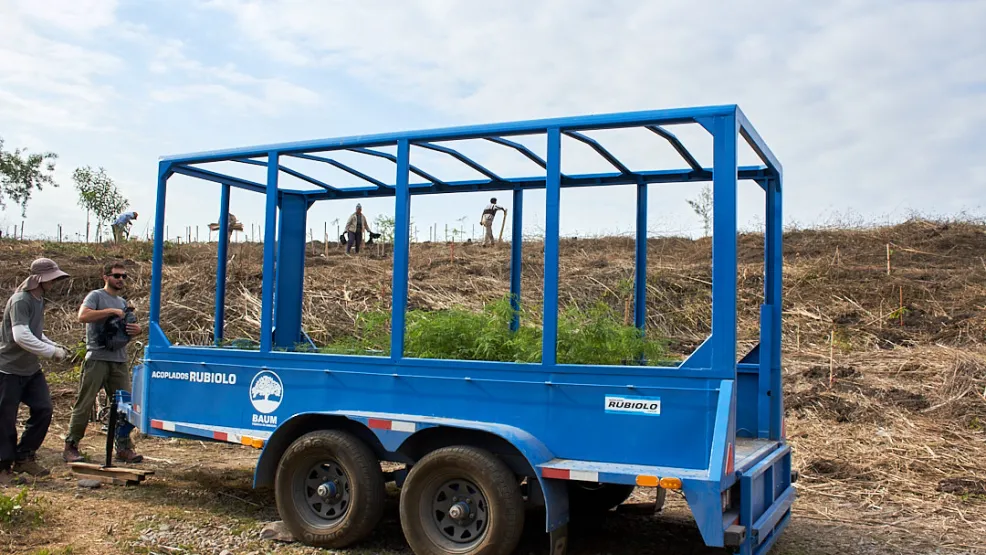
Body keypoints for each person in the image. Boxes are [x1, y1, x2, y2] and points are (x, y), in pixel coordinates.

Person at [63, 261, 143, 464]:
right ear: (105, 277)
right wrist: (110, 312)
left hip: (118, 360)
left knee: (125, 406)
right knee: (85, 403)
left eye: (124, 276)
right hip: (97, 358)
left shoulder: (123, 302)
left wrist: (136, 330)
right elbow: (83, 316)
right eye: (117, 276)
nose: (121, 279)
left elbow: (125, 328)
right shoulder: (96, 296)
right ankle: (71, 446)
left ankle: (124, 448)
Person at [0, 258, 70, 485]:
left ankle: (24, 456)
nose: (55, 282)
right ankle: (3, 466)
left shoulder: (38, 300)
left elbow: (35, 334)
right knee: (5, 419)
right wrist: (51, 353)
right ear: (39, 278)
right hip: (7, 370)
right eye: (52, 278)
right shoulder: (21, 300)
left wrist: (55, 346)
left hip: (30, 370)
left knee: (43, 409)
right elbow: (21, 336)